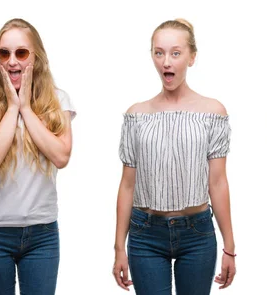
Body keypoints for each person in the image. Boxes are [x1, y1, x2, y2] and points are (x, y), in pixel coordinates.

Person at [112, 19, 236, 295]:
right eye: (159, 53)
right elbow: (127, 185)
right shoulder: (137, 115)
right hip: (145, 234)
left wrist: (230, 246)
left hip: (197, 234)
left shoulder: (212, 112)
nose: (166, 62)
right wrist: (119, 247)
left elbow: (217, 183)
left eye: (175, 53)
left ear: (192, 57)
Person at [0, 18, 76, 295]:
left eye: (21, 53)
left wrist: (26, 107)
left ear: (36, 57)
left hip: (42, 235)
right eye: (4, 53)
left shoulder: (57, 100)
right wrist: (13, 106)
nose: (12, 61)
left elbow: (61, 156)